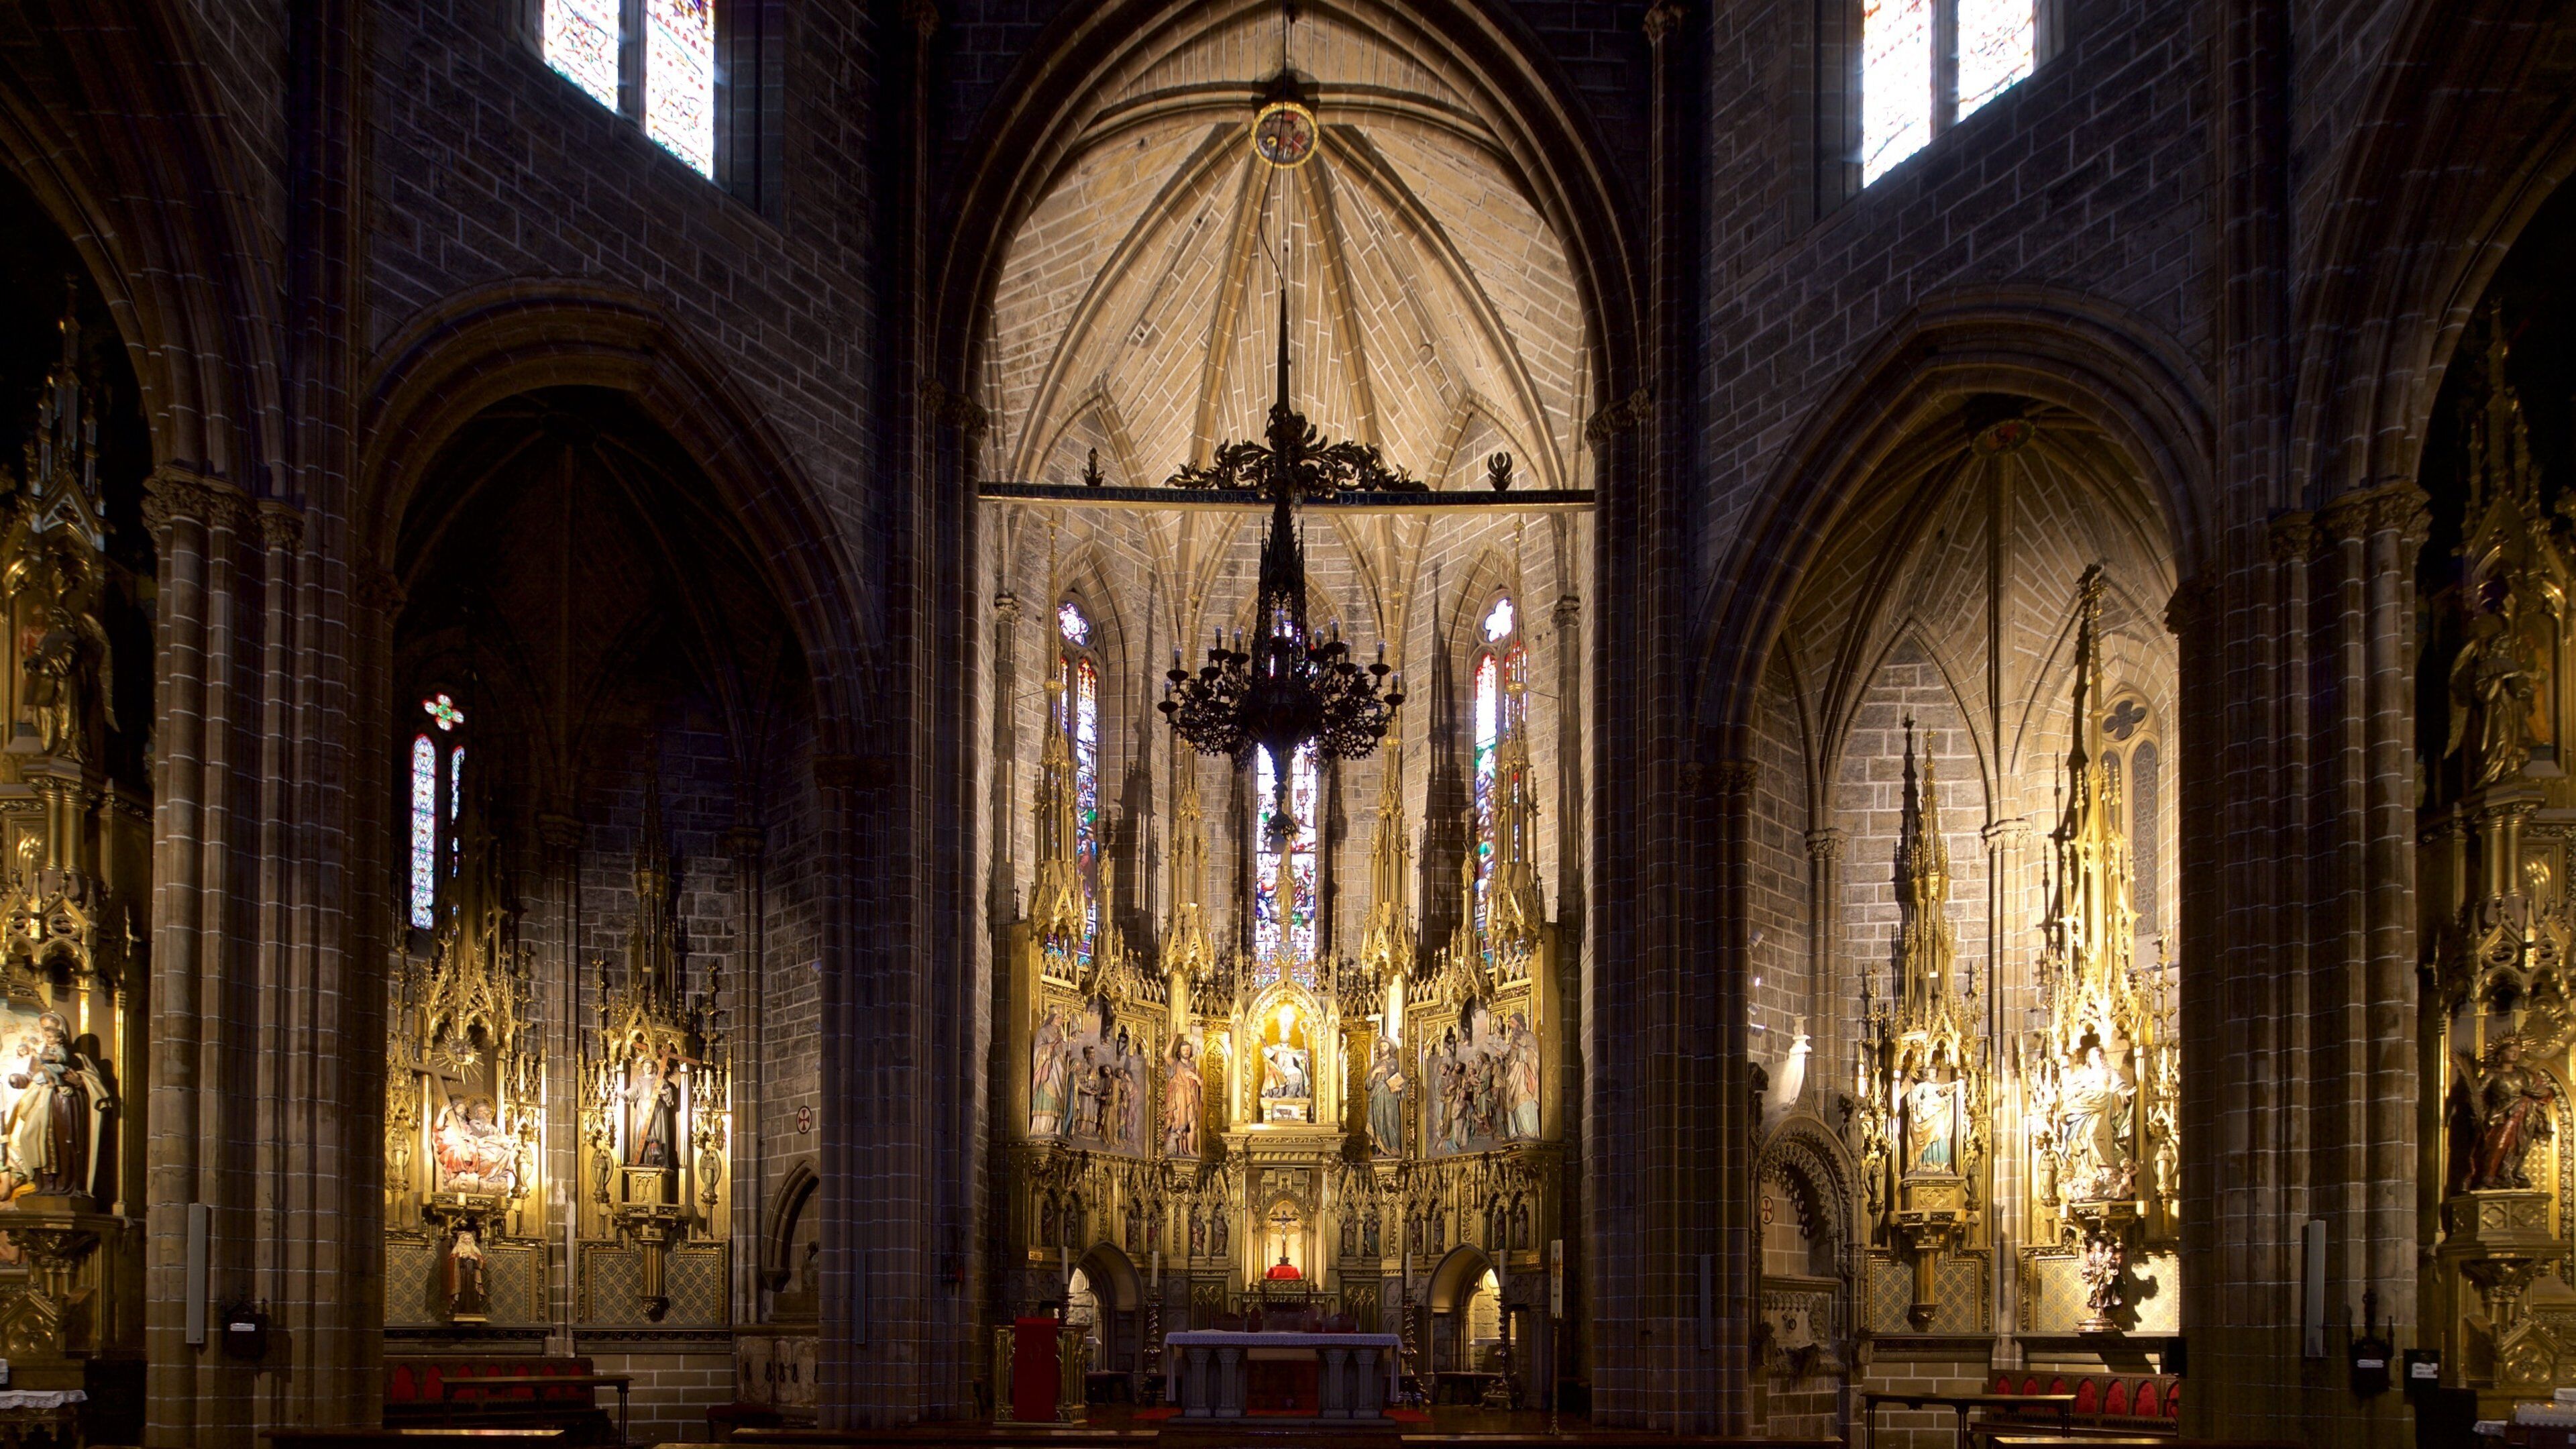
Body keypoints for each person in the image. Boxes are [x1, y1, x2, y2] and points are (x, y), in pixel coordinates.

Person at [3, 1011, 111, 1199]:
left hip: (66, 1104)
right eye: (43, 1028)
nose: (46, 1032)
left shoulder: (76, 1058)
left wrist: (80, 1081)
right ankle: (43, 1186)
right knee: (35, 1139)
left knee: (65, 1143)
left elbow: (93, 1081)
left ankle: (67, 1187)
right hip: (40, 1105)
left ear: (61, 1032)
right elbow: (30, 1077)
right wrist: (16, 1079)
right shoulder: (39, 1056)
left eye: (50, 1028)